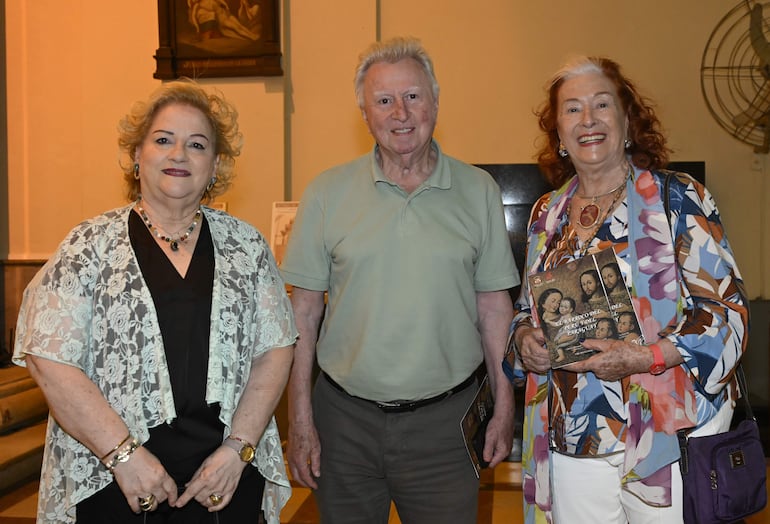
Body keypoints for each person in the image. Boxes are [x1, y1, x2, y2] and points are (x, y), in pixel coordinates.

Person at [12, 80, 297, 524]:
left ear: (215, 164)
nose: (178, 154)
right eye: (163, 140)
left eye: (197, 145)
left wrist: (238, 451)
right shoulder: (88, 246)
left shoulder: (247, 246)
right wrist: (123, 456)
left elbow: (276, 348)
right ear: (136, 156)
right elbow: (49, 358)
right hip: (117, 482)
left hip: (223, 480)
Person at [280, 36, 518, 523]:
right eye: (383, 100)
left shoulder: (478, 191)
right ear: (364, 114)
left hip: (447, 428)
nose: (400, 113)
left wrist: (505, 402)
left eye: (413, 96)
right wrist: (299, 418)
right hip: (343, 425)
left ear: (435, 101)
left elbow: (495, 308)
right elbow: (302, 313)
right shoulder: (326, 192)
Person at [508, 56, 748, 523]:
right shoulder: (546, 214)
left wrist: (645, 356)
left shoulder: (679, 198)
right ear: (558, 133)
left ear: (626, 119)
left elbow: (725, 313)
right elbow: (525, 311)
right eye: (572, 109)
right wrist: (523, 341)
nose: (589, 120)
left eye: (602, 104)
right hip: (575, 434)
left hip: (668, 433)